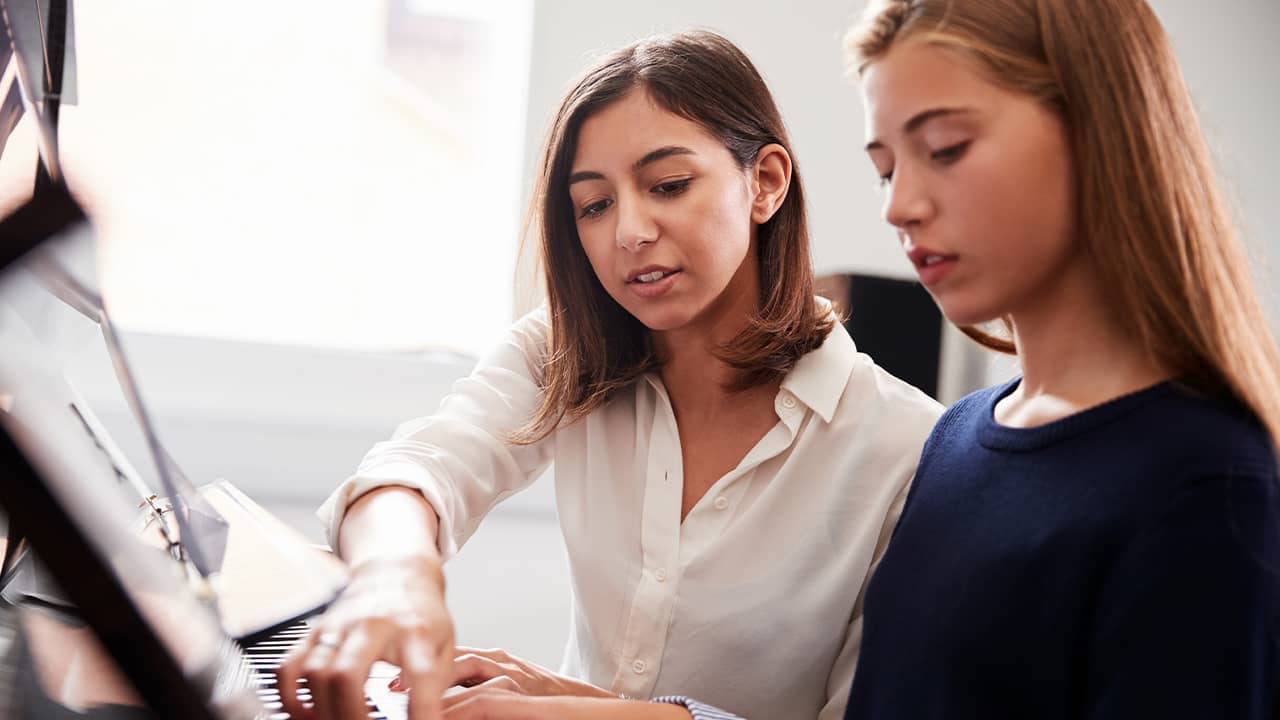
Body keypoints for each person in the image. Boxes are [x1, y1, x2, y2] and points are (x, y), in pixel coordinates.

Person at [276, 29, 943, 720]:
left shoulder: (905, 449)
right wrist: (395, 577)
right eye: (593, 204)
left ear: (766, 183)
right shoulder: (565, 355)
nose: (628, 231)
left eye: (668, 185)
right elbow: (421, 467)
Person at [836, 0, 1280, 717]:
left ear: (1098, 129)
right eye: (886, 169)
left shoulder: (1206, 483)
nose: (899, 206)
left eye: (945, 147)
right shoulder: (956, 438)